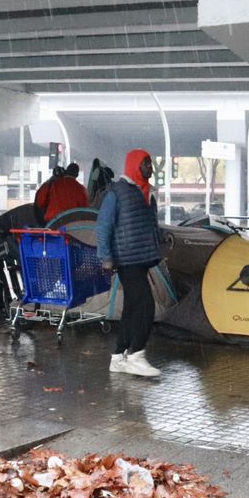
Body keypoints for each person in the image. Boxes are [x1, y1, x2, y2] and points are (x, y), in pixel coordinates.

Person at [96, 149, 162, 378]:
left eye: (151, 163)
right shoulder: (117, 192)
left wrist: (160, 242)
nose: (150, 168)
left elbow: (150, 225)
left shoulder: (148, 193)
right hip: (127, 259)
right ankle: (136, 355)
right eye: (146, 163)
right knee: (145, 305)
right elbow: (103, 226)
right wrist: (106, 258)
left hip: (142, 258)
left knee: (132, 307)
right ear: (134, 165)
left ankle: (118, 358)